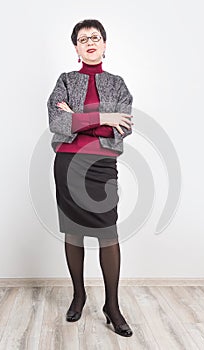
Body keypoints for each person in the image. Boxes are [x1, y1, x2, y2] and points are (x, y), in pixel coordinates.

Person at [47, 19, 134, 337]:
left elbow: (124, 125)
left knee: (108, 234)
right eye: (83, 39)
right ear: (76, 48)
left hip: (102, 166)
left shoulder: (118, 84)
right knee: (73, 232)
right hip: (68, 164)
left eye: (95, 37)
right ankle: (78, 295)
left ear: (105, 44)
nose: (90, 42)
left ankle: (112, 305)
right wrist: (103, 117)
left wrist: (77, 118)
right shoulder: (65, 80)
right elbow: (57, 121)